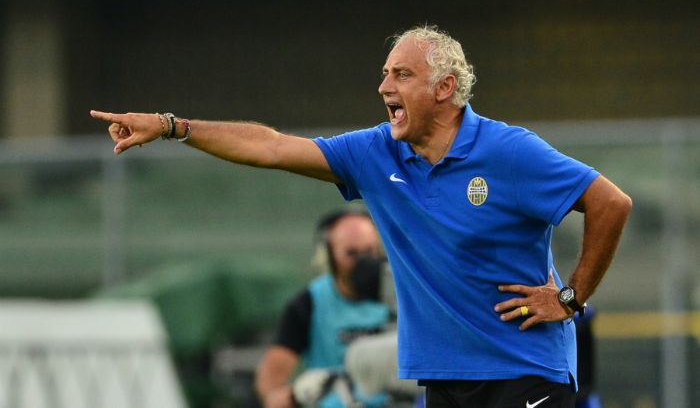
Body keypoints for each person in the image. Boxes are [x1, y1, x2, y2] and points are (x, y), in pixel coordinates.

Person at [91, 25, 632, 408]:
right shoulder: (376, 152)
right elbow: (271, 147)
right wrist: (173, 126)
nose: (384, 87)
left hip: (524, 370)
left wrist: (570, 298)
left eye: (402, 74)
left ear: (444, 88)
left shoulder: (509, 151)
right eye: (384, 74)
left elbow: (611, 202)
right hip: (443, 376)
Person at [254, 208, 391, 408]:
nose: (363, 263)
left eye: (369, 252)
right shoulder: (310, 303)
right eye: (351, 254)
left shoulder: (399, 298)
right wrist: (289, 396)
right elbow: (272, 381)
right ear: (329, 256)